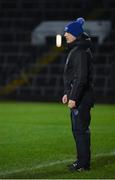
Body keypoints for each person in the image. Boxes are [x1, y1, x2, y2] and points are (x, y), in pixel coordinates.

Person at [62, 17, 94, 172]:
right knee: (78, 130)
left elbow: (81, 78)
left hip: (81, 98)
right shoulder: (78, 49)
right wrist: (67, 93)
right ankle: (82, 162)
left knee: (80, 130)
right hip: (78, 96)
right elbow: (74, 77)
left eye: (67, 32)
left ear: (75, 34)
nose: (65, 35)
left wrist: (74, 97)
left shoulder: (80, 51)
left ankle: (83, 163)